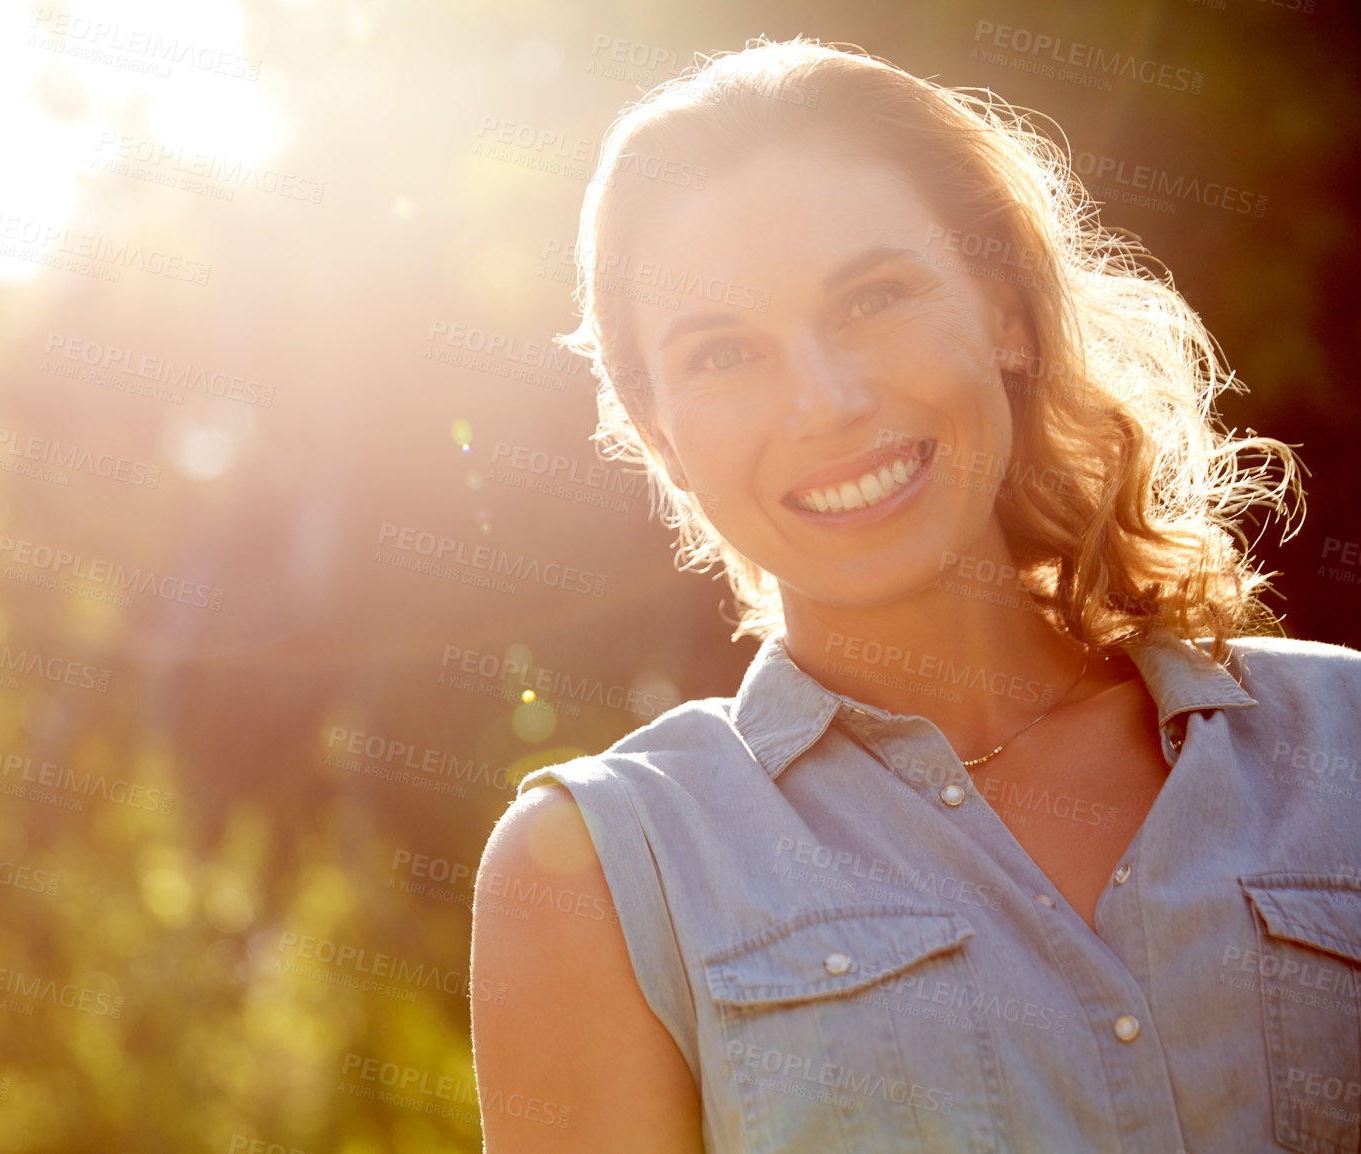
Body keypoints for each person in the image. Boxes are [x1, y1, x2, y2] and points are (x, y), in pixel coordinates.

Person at [469, 36, 1361, 1154]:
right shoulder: (604, 871)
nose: (824, 400)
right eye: (722, 355)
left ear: (1007, 315)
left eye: (872, 297)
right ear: (662, 441)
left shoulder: (1345, 747)